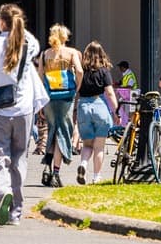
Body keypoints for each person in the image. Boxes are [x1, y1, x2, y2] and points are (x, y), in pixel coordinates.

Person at [0, 3, 48, 226]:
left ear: (1, 21)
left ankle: (4, 191)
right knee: (19, 158)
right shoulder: (29, 45)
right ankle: (16, 213)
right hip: (24, 108)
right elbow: (35, 43)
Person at [36, 24, 84, 188]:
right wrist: (76, 87)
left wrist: (41, 103)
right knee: (62, 133)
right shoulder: (70, 53)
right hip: (65, 97)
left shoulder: (45, 54)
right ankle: (56, 173)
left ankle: (47, 169)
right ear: (65, 37)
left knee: (52, 131)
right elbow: (79, 71)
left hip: (49, 97)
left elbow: (40, 77)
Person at [75, 41, 118, 185]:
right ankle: (96, 176)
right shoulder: (104, 71)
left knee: (87, 144)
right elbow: (110, 93)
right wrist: (116, 111)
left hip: (83, 107)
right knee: (99, 146)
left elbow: (76, 91)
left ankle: (83, 164)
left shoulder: (81, 71)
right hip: (99, 106)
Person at [114, 60, 138, 128]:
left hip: (130, 97)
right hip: (126, 96)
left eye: (120, 67)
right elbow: (122, 83)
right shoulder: (126, 74)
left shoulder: (129, 75)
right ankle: (124, 124)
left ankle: (127, 125)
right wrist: (118, 84)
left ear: (124, 67)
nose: (120, 69)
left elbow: (129, 86)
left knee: (128, 112)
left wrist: (119, 87)